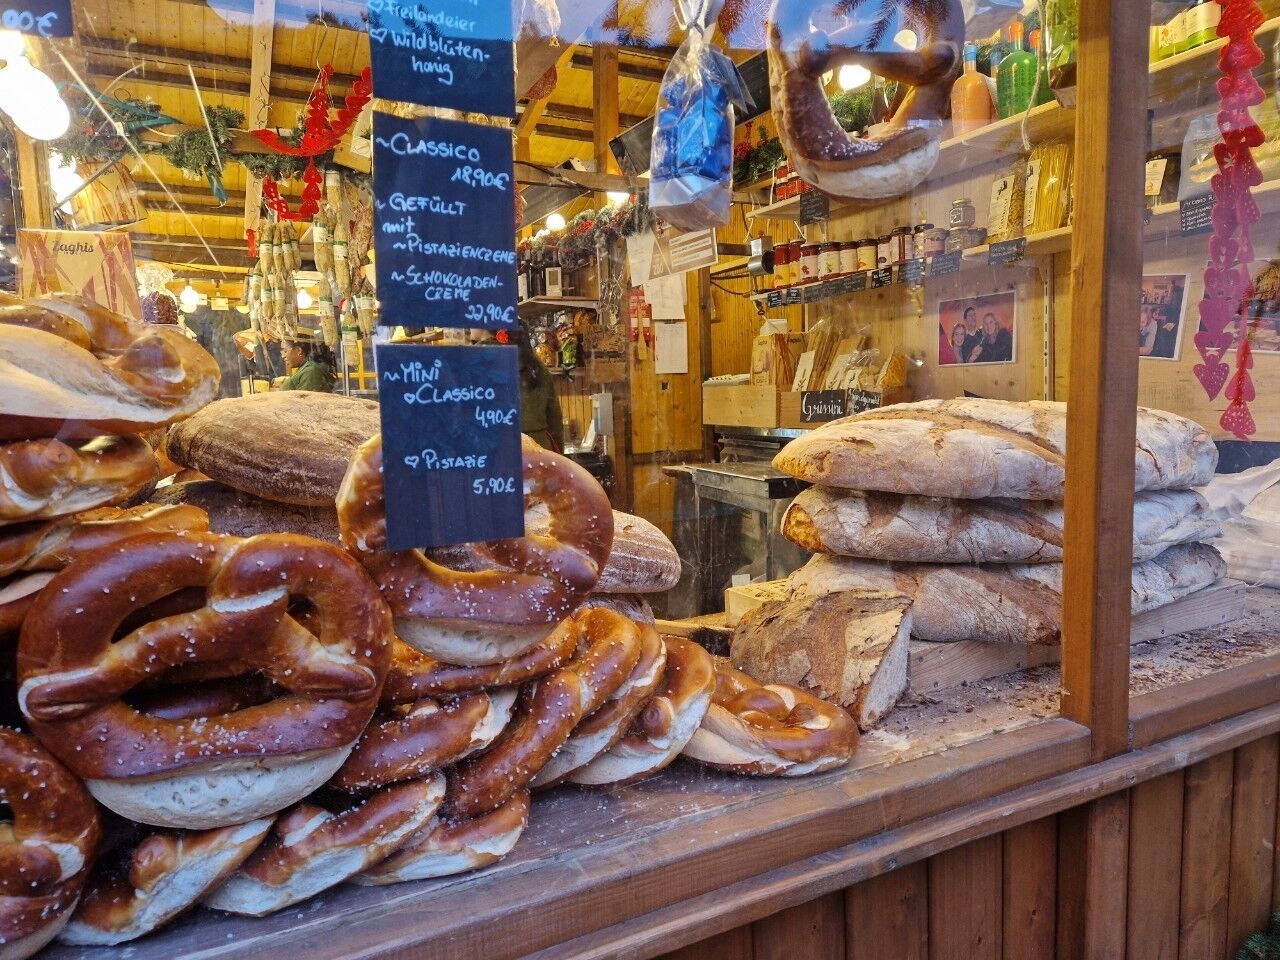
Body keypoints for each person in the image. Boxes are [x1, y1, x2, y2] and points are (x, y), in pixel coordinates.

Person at [515, 326, 565, 452]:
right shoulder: (539, 367)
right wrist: (559, 454)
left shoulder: (483, 363)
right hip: (540, 447)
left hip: (504, 449)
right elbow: (555, 421)